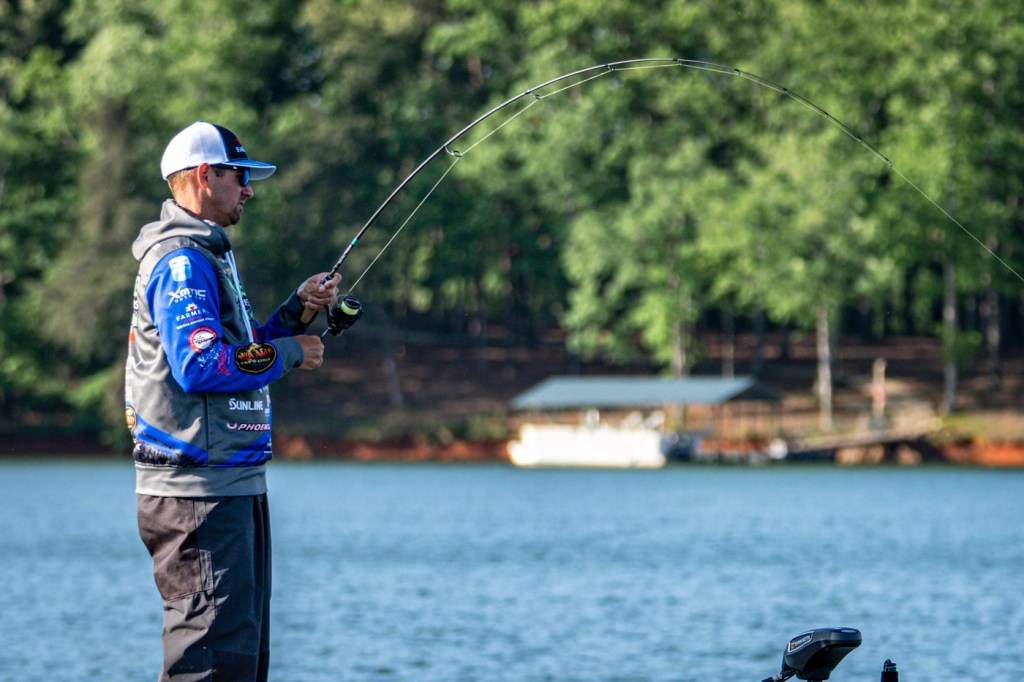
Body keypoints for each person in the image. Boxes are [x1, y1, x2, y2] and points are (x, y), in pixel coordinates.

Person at [125, 120, 344, 681]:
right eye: (240, 176)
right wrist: (293, 352)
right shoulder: (181, 260)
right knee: (209, 666)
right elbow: (200, 366)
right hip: (198, 493)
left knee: (239, 662)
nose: (249, 190)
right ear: (205, 176)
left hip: (231, 485)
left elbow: (237, 355)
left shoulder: (210, 255)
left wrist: (297, 313)